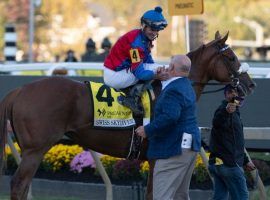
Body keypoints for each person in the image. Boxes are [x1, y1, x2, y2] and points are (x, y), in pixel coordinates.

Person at [136, 55, 201, 200]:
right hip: (188, 147)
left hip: (174, 148)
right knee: (180, 196)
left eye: (169, 65)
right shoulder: (186, 86)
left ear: (171, 68)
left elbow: (170, 117)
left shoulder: (173, 90)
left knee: (162, 196)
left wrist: (147, 130)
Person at [103, 6, 169, 115]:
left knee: (157, 68)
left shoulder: (143, 38)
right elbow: (140, 74)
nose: (154, 33)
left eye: (157, 30)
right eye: (152, 29)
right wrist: (156, 75)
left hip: (120, 71)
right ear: (144, 26)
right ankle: (130, 99)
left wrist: (159, 71)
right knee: (154, 70)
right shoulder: (136, 45)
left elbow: (149, 62)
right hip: (114, 76)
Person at [208, 84, 256, 200]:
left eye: (238, 93)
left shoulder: (235, 113)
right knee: (242, 197)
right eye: (233, 93)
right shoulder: (225, 110)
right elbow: (217, 122)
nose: (237, 95)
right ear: (227, 95)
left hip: (218, 164)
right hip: (229, 165)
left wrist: (245, 160)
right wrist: (226, 111)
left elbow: (235, 141)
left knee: (219, 197)